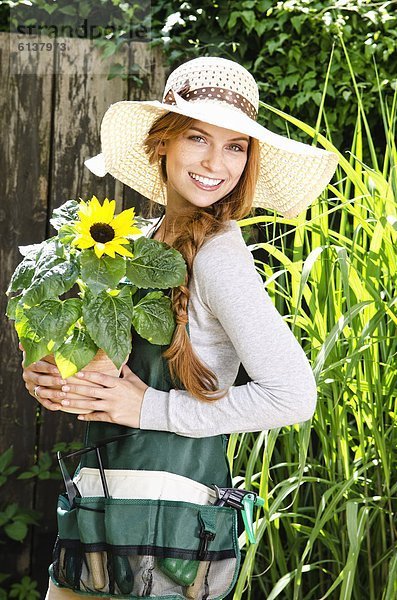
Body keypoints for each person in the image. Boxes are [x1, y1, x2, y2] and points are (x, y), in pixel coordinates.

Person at [21, 56, 339, 599]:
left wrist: (150, 409)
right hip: (97, 524)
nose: (217, 161)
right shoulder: (133, 247)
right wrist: (51, 372)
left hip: (167, 548)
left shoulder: (218, 256)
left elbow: (293, 396)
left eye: (235, 145)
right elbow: (107, 375)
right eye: (198, 137)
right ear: (162, 141)